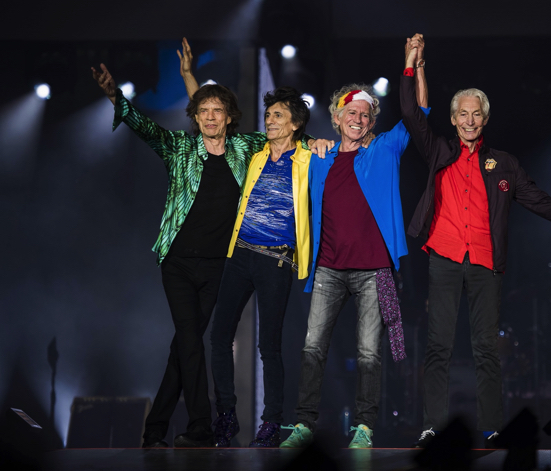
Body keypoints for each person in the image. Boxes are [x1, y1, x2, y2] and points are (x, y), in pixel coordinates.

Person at [399, 34, 551, 447]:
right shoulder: (439, 151)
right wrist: (411, 62)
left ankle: (491, 428)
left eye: (476, 114)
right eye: (463, 114)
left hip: (485, 262)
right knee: (439, 345)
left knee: (486, 349)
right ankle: (432, 426)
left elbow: (538, 199)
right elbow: (409, 112)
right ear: (453, 119)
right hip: (444, 256)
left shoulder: (504, 163)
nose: (469, 120)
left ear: (485, 119)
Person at [91, 63, 271, 447]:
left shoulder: (246, 147)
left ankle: (155, 430)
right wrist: (115, 96)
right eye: (203, 111)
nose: (210, 117)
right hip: (178, 263)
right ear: (195, 116)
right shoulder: (180, 147)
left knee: (183, 348)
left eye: (217, 111)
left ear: (230, 117)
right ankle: (201, 426)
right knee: (190, 342)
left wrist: (317, 142)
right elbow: (144, 127)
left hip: (220, 266)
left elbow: (284, 136)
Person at [178, 39, 334, 448]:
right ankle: (227, 416)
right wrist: (189, 76)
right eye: (267, 115)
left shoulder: (310, 156)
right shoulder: (254, 151)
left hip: (276, 261)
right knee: (218, 336)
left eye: (277, 115)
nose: (269, 121)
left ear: (296, 124)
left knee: (269, 345)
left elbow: (340, 156)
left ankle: (271, 422)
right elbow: (211, 115)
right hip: (240, 255)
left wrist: (321, 142)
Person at [279, 41, 430, 450]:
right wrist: (312, 142)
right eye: (351, 112)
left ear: (371, 121)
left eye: (365, 114)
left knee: (369, 353)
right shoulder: (319, 157)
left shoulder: (384, 150)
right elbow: (279, 142)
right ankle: (304, 424)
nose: (358, 119)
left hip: (374, 271)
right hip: (327, 268)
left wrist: (413, 67)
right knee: (312, 347)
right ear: (336, 117)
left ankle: (364, 427)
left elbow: (419, 113)